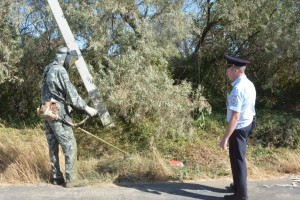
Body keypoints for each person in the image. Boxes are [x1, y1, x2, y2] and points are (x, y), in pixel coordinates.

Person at [41, 47, 98, 187]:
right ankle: (72, 179)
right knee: (70, 144)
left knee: (53, 144)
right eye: (71, 60)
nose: (71, 63)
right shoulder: (60, 70)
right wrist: (86, 108)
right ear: (65, 57)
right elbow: (71, 92)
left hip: (47, 110)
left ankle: (56, 177)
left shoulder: (48, 68)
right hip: (58, 110)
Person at [219, 54, 256, 200]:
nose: (226, 72)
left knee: (238, 160)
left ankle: (241, 196)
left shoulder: (238, 89)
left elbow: (235, 117)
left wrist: (225, 139)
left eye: (228, 69)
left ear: (235, 70)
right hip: (248, 123)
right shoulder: (249, 83)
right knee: (236, 158)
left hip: (239, 127)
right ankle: (237, 186)